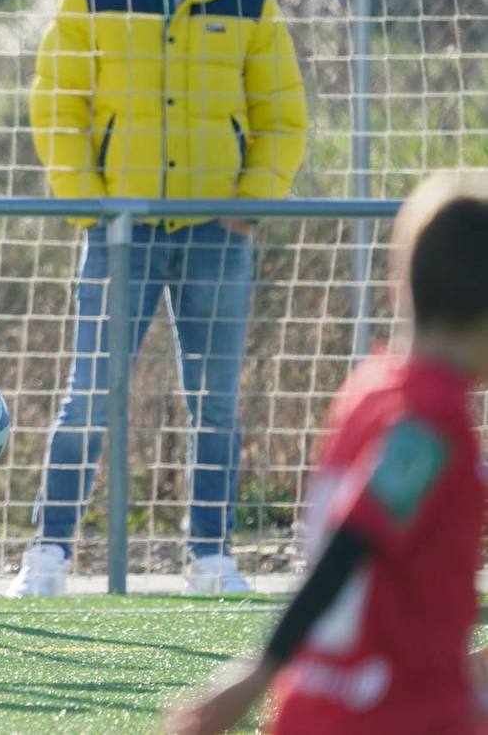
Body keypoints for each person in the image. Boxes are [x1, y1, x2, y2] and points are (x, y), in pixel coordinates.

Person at [11, 0, 309, 596]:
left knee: (215, 400)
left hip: (218, 233)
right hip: (121, 231)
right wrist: (91, 206)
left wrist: (252, 204)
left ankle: (209, 555)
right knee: (91, 392)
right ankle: (48, 553)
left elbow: (282, 118)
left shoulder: (251, 8)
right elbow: (58, 108)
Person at [165, 172, 488, 734]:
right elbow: (354, 541)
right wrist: (257, 672)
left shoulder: (369, 390)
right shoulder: (432, 420)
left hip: (318, 705)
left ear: (398, 289)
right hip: (399, 711)